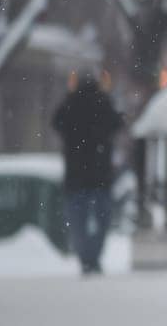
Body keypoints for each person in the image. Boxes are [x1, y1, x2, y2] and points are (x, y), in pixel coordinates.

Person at [52, 72, 124, 275]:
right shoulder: (103, 102)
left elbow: (57, 122)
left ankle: (85, 257)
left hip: (75, 174)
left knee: (78, 220)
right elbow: (118, 123)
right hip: (100, 174)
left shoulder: (70, 104)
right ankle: (94, 255)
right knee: (102, 218)